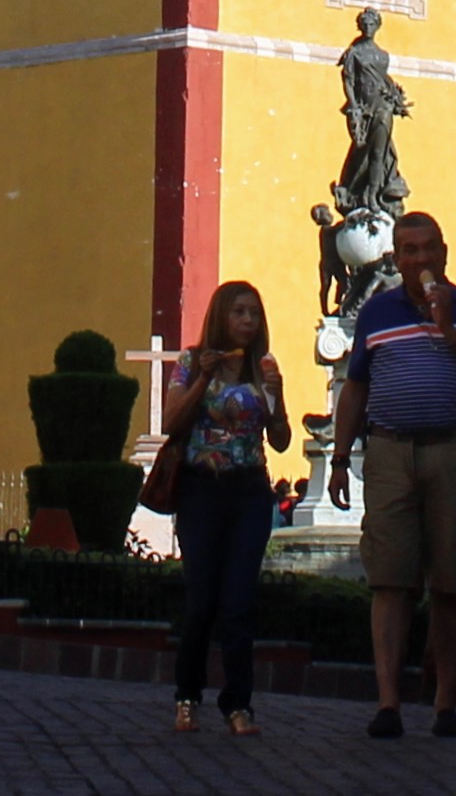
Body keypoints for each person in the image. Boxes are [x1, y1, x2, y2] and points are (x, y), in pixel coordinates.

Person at [327, 209, 456, 741]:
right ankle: (388, 704)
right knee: (389, 580)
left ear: (444, 252)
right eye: (409, 250)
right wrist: (339, 457)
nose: (420, 258)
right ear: (397, 258)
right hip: (388, 451)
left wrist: (450, 331)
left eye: (428, 248)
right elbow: (356, 386)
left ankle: (445, 704)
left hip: (451, 451)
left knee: (448, 583)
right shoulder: (377, 314)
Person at [163, 278, 291, 735]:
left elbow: (280, 439)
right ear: (221, 316)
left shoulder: (263, 367)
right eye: (238, 312)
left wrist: (276, 397)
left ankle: (238, 704)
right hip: (202, 489)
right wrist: (203, 377)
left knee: (238, 600)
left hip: (249, 492)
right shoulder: (192, 361)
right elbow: (172, 420)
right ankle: (186, 696)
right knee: (201, 600)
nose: (247, 321)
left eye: (253, 314)